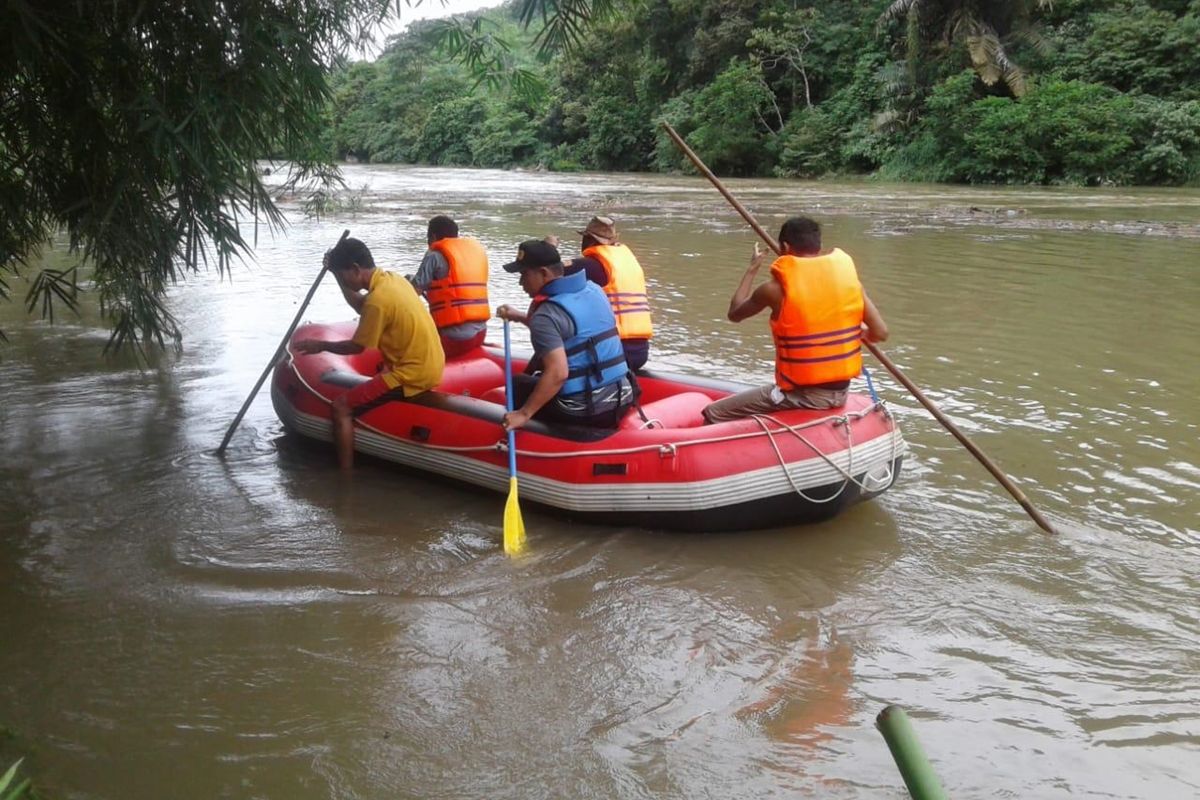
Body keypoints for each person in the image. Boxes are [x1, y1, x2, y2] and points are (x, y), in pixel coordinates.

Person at [702, 216, 889, 424]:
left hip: (804, 396)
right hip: (841, 392)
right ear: (819, 247)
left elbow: (735, 313)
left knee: (713, 413)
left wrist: (752, 269)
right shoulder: (849, 283)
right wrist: (860, 332)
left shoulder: (774, 290)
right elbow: (880, 332)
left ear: (784, 246)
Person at [295, 236, 445, 469]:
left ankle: (345, 478)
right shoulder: (393, 280)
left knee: (341, 407)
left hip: (412, 374)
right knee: (377, 377)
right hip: (431, 365)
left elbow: (356, 347)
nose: (344, 279)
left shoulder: (378, 300)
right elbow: (359, 305)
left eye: (344, 273)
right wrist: (334, 272)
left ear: (355, 268)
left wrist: (321, 346)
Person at [495, 240, 635, 431]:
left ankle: (528, 433)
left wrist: (524, 414)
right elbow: (571, 332)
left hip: (584, 410)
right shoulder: (593, 289)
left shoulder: (545, 314)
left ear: (544, 273)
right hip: (623, 396)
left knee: (518, 383)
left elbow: (558, 373)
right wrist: (519, 317)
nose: (521, 283)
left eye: (524, 274)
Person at [550, 215, 652, 371]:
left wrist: (549, 248)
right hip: (640, 350)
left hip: (614, 350)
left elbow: (550, 271)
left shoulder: (593, 265)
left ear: (589, 239)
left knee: (552, 356)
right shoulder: (627, 262)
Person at [407, 215, 490, 358]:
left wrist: (402, 284)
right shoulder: (472, 254)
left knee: (408, 347)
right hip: (481, 333)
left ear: (432, 237)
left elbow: (412, 293)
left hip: (455, 339)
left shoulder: (434, 256)